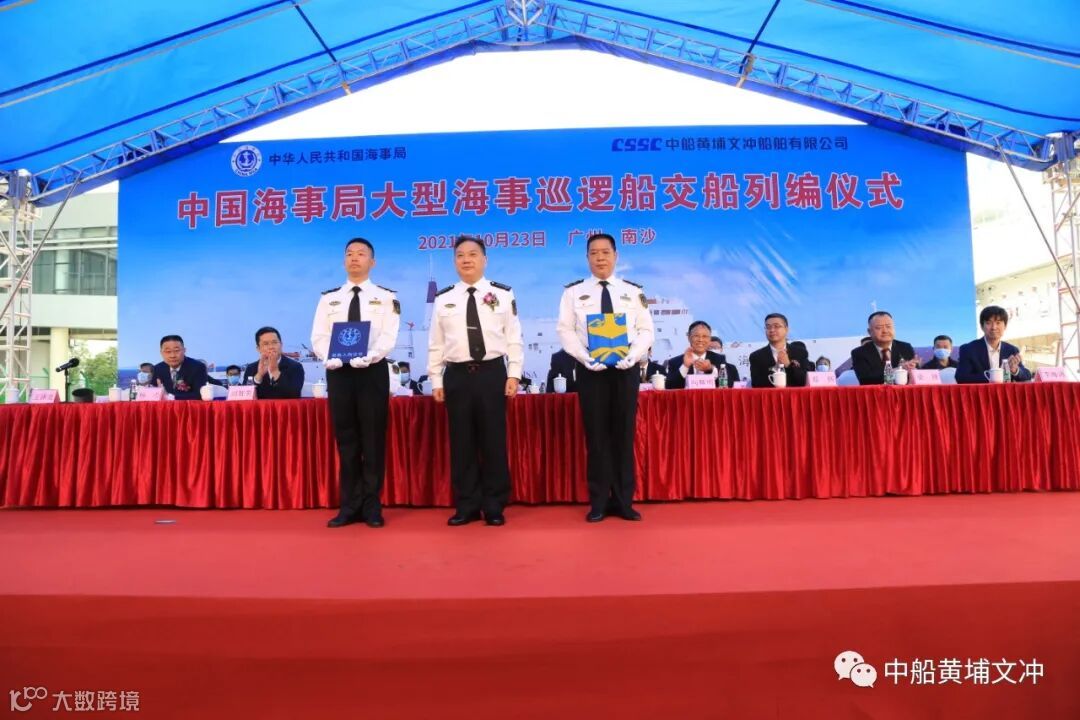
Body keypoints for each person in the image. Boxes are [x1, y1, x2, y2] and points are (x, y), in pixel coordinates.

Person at [557, 232, 654, 522]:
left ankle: (624, 501)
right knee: (597, 436)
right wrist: (584, 357)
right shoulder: (573, 292)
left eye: (605, 252)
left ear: (616, 255)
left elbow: (646, 330)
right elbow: (565, 330)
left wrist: (633, 355)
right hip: (591, 371)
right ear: (587, 257)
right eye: (594, 253)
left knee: (624, 435)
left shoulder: (632, 291)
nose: (600, 258)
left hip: (625, 371)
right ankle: (598, 502)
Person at [428, 235, 523, 526]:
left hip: (492, 374)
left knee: (493, 441)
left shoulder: (502, 294)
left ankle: (494, 505)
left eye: (472, 254)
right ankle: (467, 505)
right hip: (457, 376)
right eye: (460, 255)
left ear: (485, 259)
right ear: (454, 261)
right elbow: (436, 343)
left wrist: (514, 373)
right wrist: (436, 380)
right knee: (462, 443)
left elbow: (513, 337)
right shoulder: (444, 298)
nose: (466, 259)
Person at [311, 237, 400, 529]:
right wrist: (329, 357)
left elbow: (389, 336)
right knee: (347, 441)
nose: (354, 258)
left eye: (361, 254)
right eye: (349, 253)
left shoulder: (386, 297)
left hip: (372, 371)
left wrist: (371, 356)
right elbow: (319, 336)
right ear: (343, 261)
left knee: (373, 441)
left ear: (372, 262)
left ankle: (372, 507)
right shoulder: (329, 298)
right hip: (339, 372)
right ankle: (348, 506)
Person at [955, 306, 1032, 384]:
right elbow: (961, 377)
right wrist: (993, 376)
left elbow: (1027, 376)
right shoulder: (968, 349)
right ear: (982, 326)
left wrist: (1015, 370)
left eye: (998, 323)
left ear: (1005, 326)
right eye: (988, 323)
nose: (994, 327)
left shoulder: (1012, 350)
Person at [850, 311, 919, 385]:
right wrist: (898, 370)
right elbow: (865, 379)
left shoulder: (905, 347)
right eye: (879, 328)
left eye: (888, 326)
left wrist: (913, 369)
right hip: (875, 392)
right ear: (869, 332)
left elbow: (916, 375)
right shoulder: (859, 353)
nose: (885, 331)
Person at [665, 321, 737, 388]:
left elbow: (729, 386)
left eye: (705, 336)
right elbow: (669, 388)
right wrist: (685, 366)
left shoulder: (719, 359)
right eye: (696, 336)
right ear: (689, 338)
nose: (700, 340)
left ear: (709, 339)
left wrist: (710, 369)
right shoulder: (675, 362)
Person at [749, 313, 810, 388]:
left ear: (786, 329)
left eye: (776, 326)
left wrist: (788, 365)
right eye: (768, 327)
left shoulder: (800, 352)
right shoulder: (756, 356)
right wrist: (776, 368)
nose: (772, 330)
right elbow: (756, 385)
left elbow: (804, 381)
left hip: (794, 395)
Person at [243, 326, 305, 399]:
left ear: (281, 345)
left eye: (274, 342)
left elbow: (294, 393)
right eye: (266, 344)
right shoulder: (251, 368)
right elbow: (245, 396)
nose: (271, 347)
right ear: (258, 349)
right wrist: (258, 376)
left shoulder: (295, 367)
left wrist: (275, 372)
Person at [152, 335, 208, 400]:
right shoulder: (158, 368)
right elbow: (152, 390)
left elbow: (199, 394)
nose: (172, 355)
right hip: (164, 406)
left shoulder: (198, 367)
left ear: (184, 350)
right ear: (161, 353)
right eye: (168, 351)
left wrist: (170, 397)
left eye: (176, 350)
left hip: (188, 405)